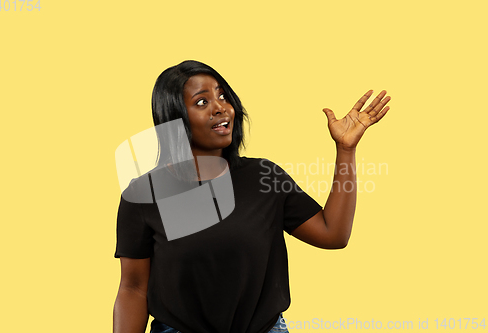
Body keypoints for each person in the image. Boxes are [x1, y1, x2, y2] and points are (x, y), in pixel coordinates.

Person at [113, 60, 391, 333]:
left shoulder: (263, 176)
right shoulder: (143, 196)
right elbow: (133, 288)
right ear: (174, 118)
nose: (220, 107)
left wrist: (346, 151)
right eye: (202, 102)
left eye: (223, 96)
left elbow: (333, 234)